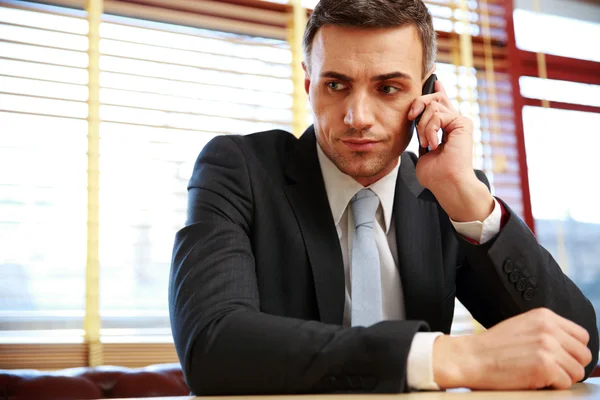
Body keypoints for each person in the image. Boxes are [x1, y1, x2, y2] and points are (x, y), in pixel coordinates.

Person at [168, 0, 598, 394]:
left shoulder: (447, 192)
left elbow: (579, 347)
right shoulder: (238, 169)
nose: (358, 117)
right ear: (308, 84)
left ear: (427, 93)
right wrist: (449, 357)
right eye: (336, 85)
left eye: (388, 88)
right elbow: (211, 346)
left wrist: (465, 196)